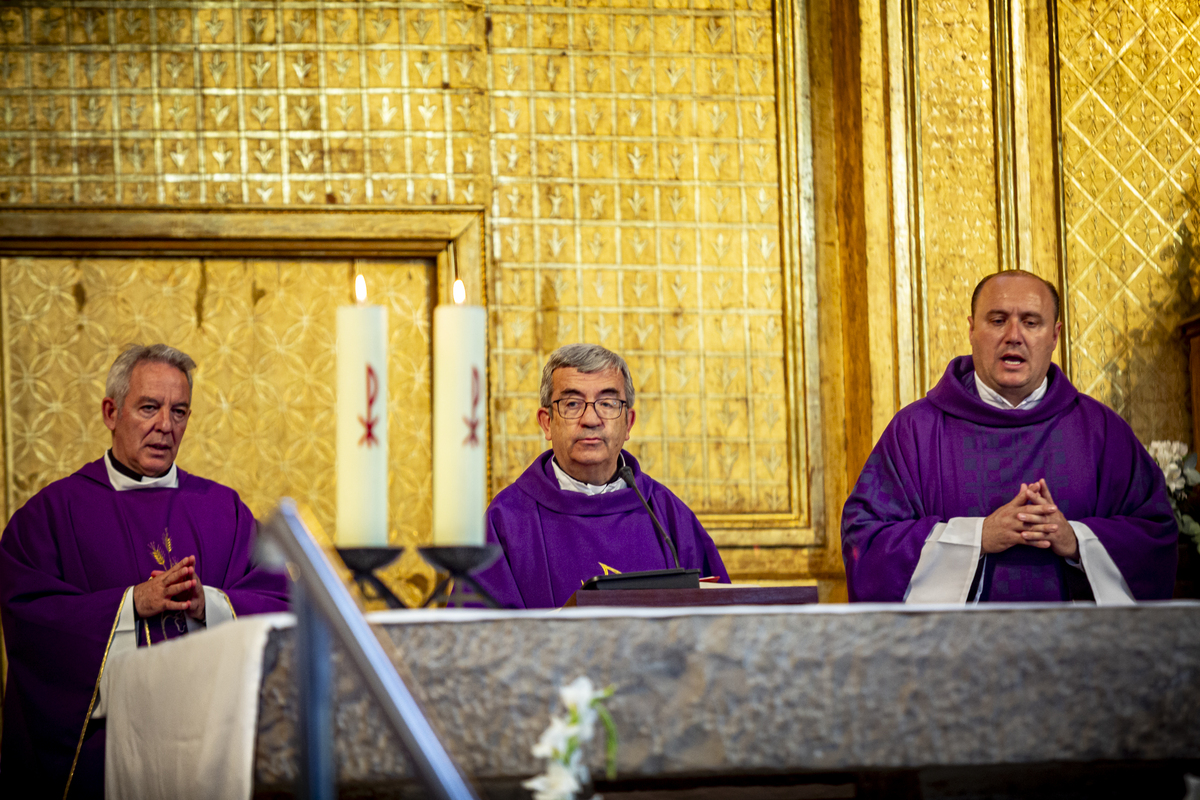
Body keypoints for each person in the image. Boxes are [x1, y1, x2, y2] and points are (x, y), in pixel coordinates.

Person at [0, 344, 289, 799]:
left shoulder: (223, 510)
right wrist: (132, 604)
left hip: (209, 749)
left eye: (179, 412)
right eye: (149, 408)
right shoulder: (52, 514)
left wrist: (207, 603)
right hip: (109, 751)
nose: (165, 427)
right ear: (111, 412)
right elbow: (31, 623)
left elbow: (279, 602)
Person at [841, 270, 1177, 604]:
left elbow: (1155, 534)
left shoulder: (1101, 431)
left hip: (1076, 650)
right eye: (998, 320)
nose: (1014, 336)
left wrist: (1074, 539)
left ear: (1055, 335)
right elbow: (866, 542)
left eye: (1031, 322)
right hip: (953, 652)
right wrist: (978, 537)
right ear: (972, 329)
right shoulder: (915, 431)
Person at [472, 343, 729, 608]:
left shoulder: (669, 517)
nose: (591, 419)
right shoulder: (507, 520)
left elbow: (721, 626)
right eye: (572, 403)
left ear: (628, 423)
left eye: (607, 403)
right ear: (547, 422)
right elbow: (480, 637)